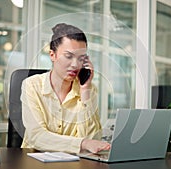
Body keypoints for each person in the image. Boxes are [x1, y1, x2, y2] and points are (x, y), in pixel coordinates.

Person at [20, 23, 110, 154]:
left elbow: (93, 140)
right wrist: (82, 143)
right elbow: (37, 137)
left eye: (81, 58)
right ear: (52, 55)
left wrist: (85, 91)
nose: (75, 65)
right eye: (68, 56)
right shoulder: (32, 85)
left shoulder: (89, 89)